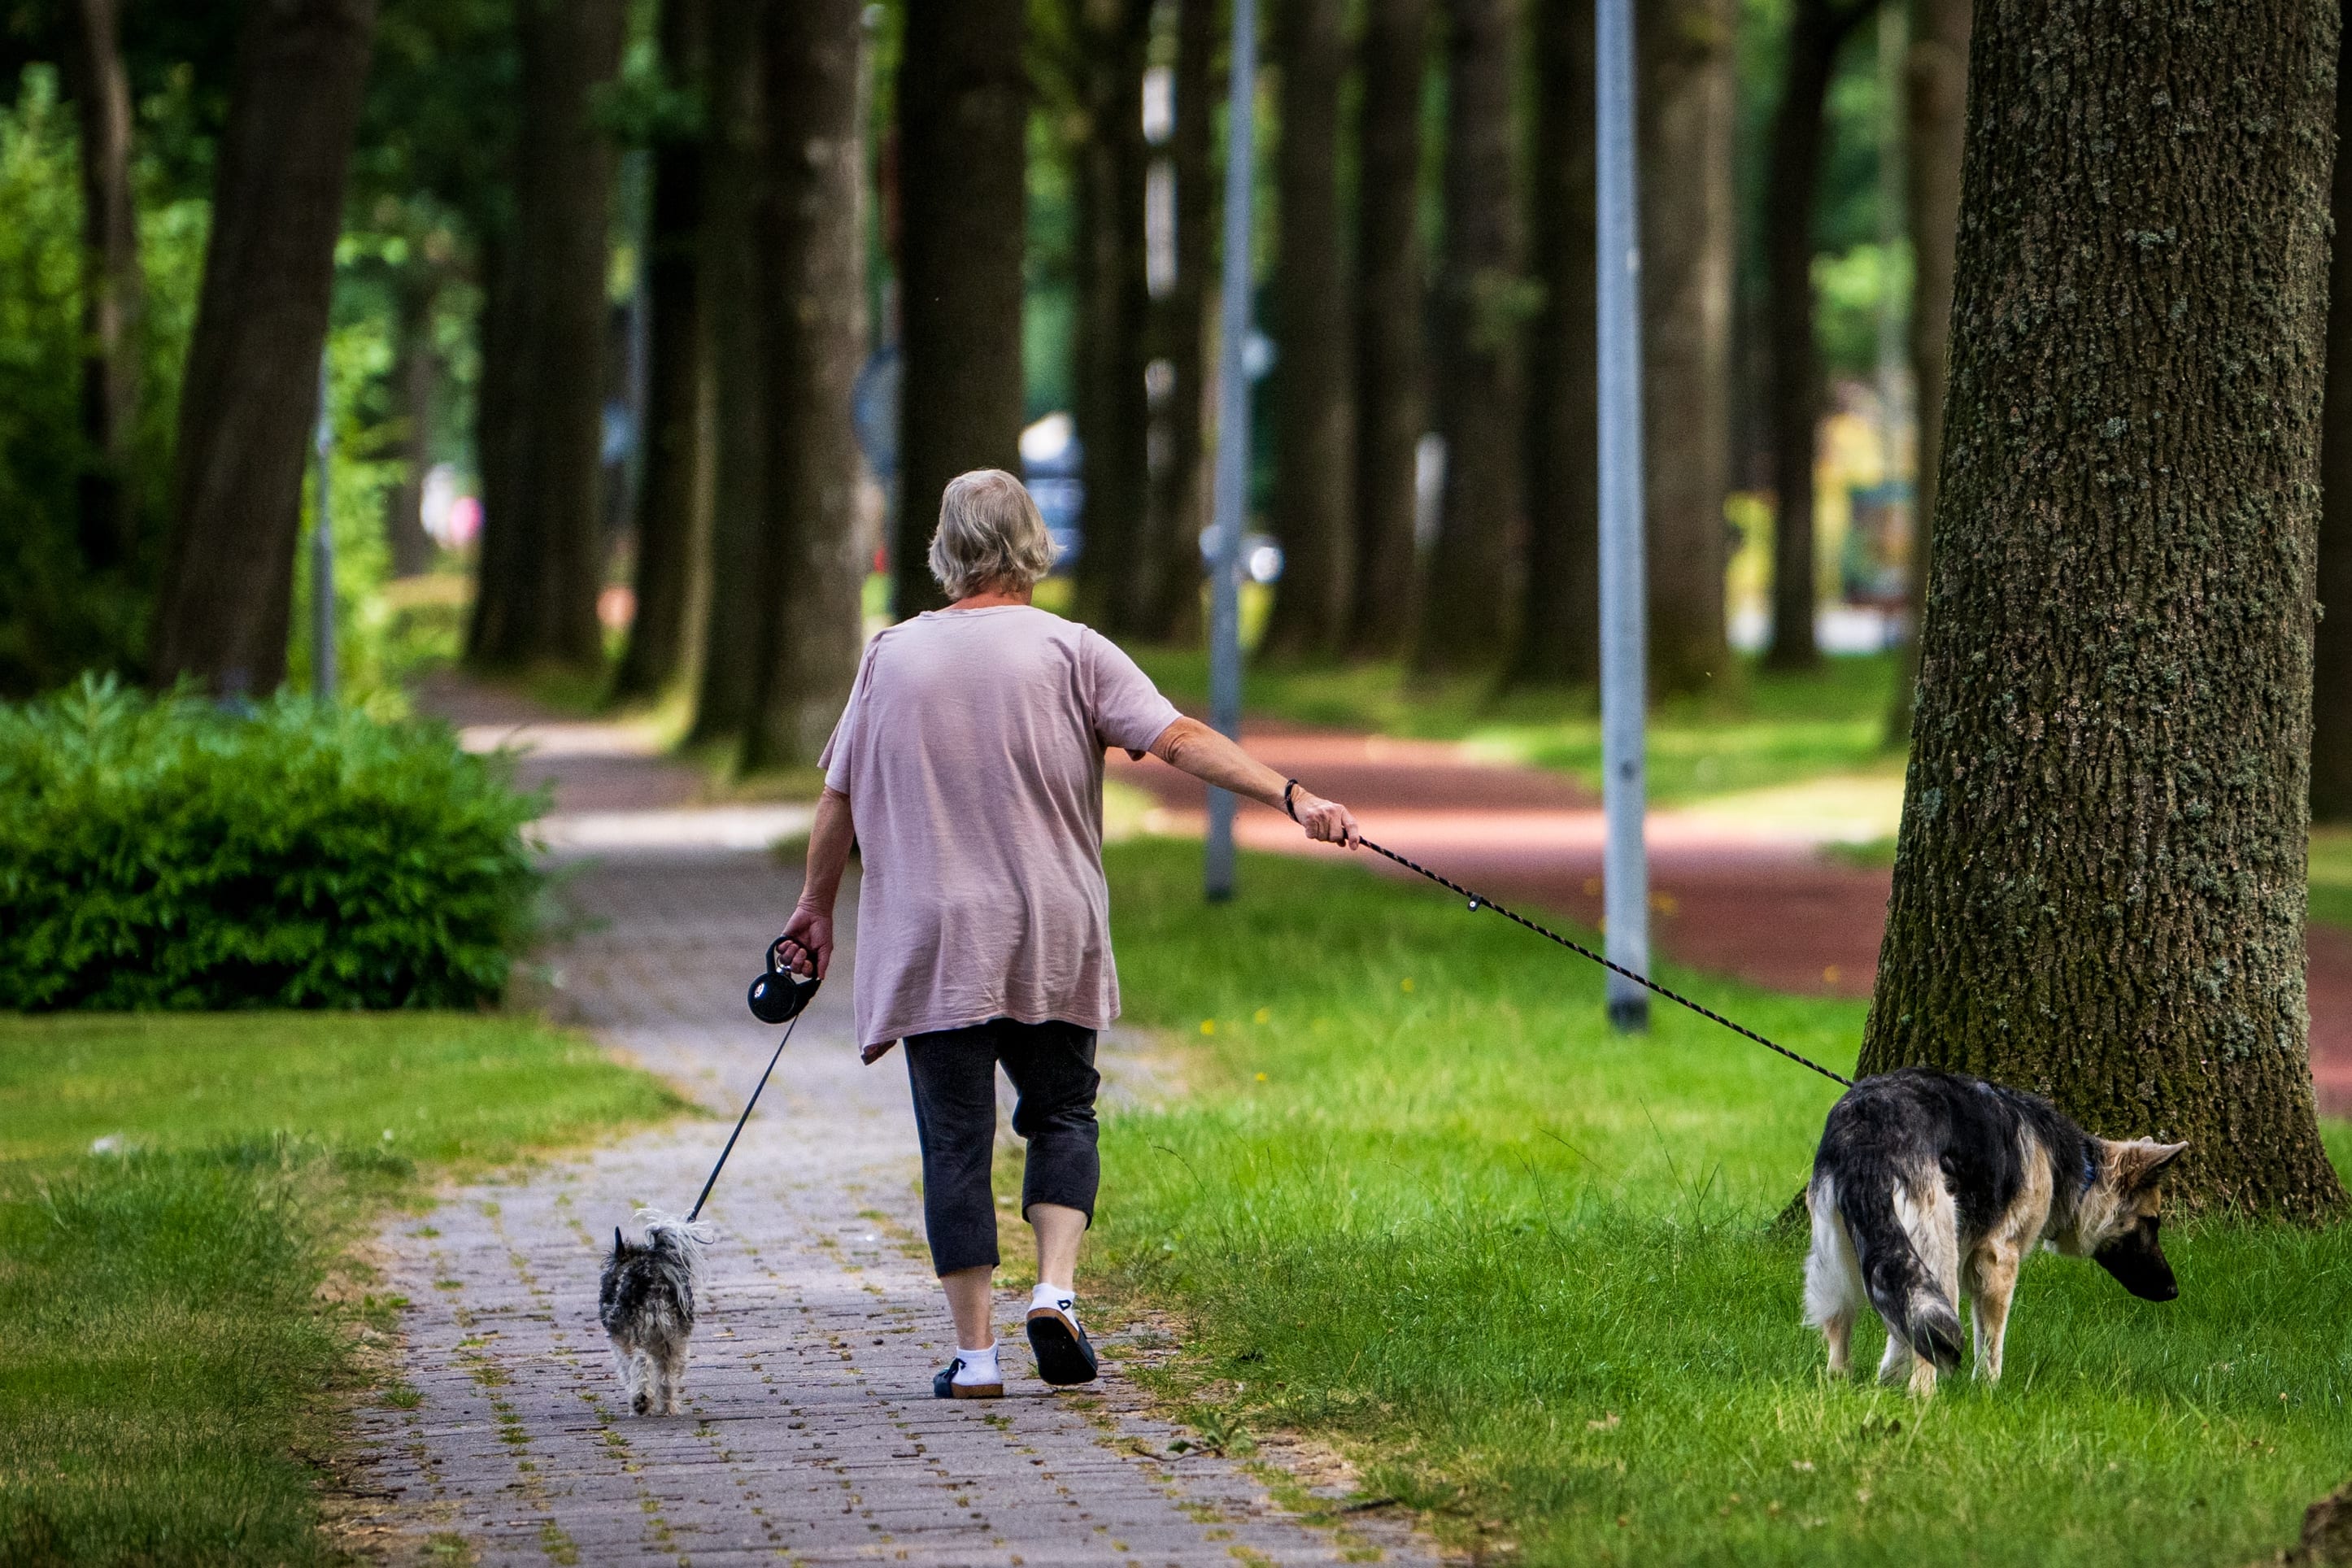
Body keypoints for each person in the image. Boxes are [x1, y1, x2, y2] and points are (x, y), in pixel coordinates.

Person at [775, 468, 1361, 1400]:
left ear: (944, 551)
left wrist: (813, 909)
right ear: (1032, 546)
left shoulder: (891, 655)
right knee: (1062, 1112)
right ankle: (1056, 1290)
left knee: (954, 1143)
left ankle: (974, 1357)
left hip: (935, 936)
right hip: (1050, 921)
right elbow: (1177, 737)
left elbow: (838, 798)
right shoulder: (1073, 649)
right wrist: (1292, 796)